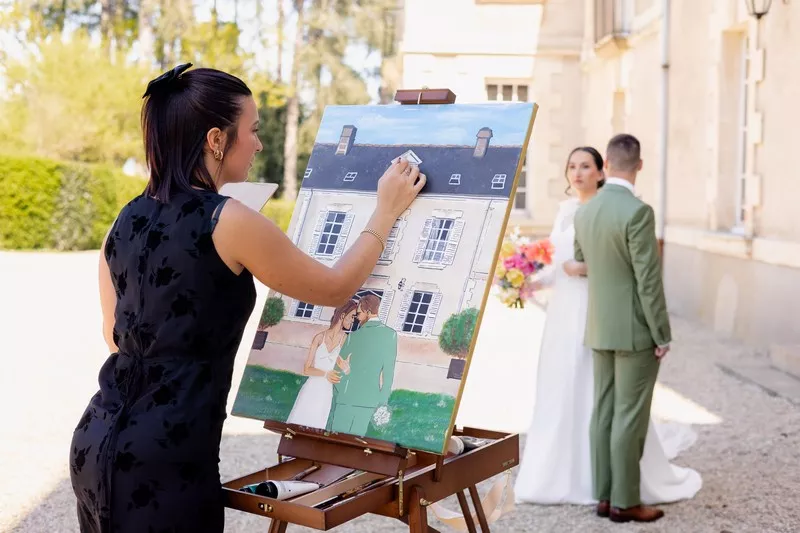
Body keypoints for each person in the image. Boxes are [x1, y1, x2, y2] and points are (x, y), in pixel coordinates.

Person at [69, 63, 426, 533]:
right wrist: (385, 212)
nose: (258, 143)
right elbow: (336, 288)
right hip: (168, 460)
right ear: (216, 140)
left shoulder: (126, 217)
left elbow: (114, 336)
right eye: (252, 130)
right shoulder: (228, 220)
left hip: (97, 441)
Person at [514, 144, 701, 519]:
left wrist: (573, 269)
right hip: (626, 325)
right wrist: (661, 333)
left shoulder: (588, 213)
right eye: (573, 166)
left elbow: (583, 262)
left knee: (601, 410)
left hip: (594, 321)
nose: (578, 173)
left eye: (586, 166)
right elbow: (647, 281)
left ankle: (602, 494)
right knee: (627, 415)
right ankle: (624, 501)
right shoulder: (636, 212)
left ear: (605, 167)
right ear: (639, 165)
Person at [327, 293, 398, 436]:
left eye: (359, 312)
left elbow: (337, 371)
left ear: (367, 311)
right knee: (356, 442)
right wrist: (382, 401)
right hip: (369, 399)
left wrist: (339, 392)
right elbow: (388, 372)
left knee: (336, 441)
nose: (357, 317)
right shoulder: (391, 335)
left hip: (346, 399)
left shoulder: (353, 336)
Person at [285, 300, 357, 429]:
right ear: (342, 315)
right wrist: (325, 374)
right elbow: (306, 370)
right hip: (311, 388)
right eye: (352, 317)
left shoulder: (345, 340)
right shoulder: (319, 337)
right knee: (298, 424)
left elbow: (343, 367)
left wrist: (346, 369)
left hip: (326, 391)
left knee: (317, 425)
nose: (353, 321)